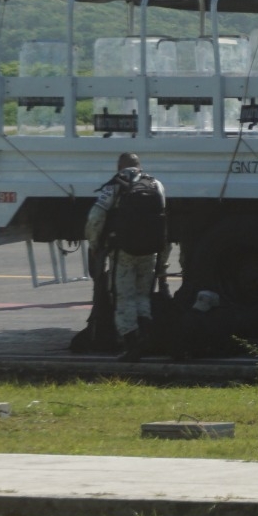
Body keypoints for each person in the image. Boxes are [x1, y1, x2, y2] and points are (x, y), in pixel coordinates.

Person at [84, 152, 168, 362]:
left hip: (124, 253)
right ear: (139, 165)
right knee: (142, 295)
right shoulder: (156, 184)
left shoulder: (114, 186)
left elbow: (95, 218)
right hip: (149, 251)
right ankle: (146, 337)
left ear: (119, 167)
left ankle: (131, 345)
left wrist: (94, 245)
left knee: (124, 297)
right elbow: (162, 219)